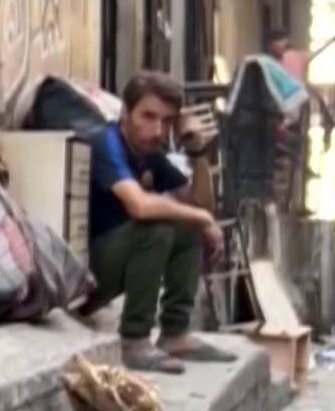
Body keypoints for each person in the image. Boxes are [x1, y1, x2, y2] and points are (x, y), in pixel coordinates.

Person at [85, 72, 233, 375]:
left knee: (185, 224)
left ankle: (175, 334)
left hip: (119, 262)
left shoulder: (150, 154)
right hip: (88, 275)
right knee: (157, 228)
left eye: (167, 121)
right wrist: (203, 218)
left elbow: (201, 204)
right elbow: (139, 206)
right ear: (126, 112)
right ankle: (134, 339)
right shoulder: (106, 143)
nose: (157, 130)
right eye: (148, 117)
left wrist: (196, 151)